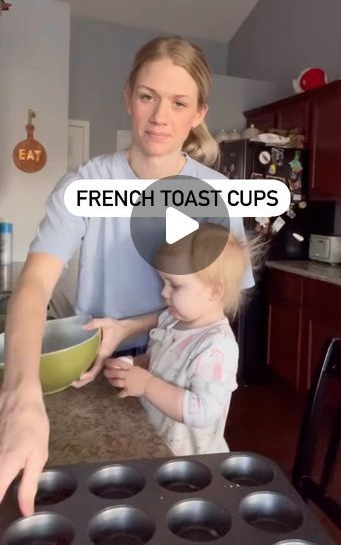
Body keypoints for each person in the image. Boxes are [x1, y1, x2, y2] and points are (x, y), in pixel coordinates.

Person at [0, 36, 254, 515]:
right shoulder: (85, 185)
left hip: (177, 375)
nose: (160, 116)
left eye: (178, 103)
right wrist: (21, 395)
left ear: (198, 113)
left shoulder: (217, 195)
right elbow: (33, 287)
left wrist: (133, 327)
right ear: (128, 98)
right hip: (94, 370)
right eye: (147, 96)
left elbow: (217, 305)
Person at [104, 223, 249, 455]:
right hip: (157, 446)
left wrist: (147, 385)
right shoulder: (170, 321)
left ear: (214, 292)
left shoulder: (217, 347)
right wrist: (132, 366)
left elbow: (203, 411)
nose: (163, 293)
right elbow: (159, 360)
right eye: (164, 282)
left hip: (191, 464)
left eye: (175, 286)